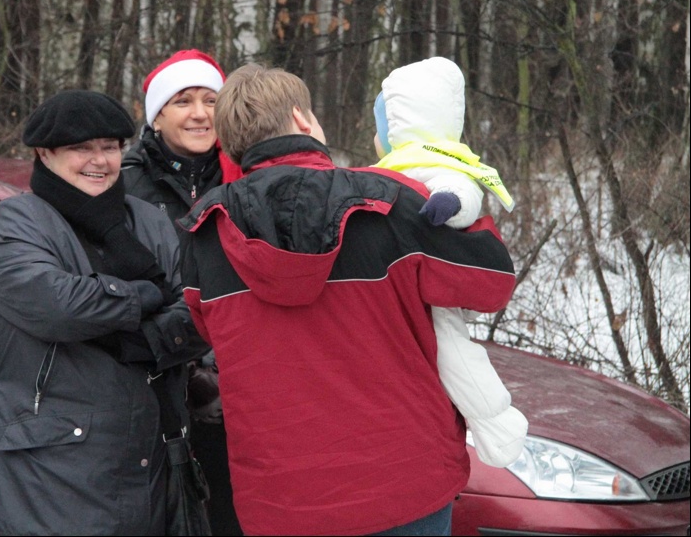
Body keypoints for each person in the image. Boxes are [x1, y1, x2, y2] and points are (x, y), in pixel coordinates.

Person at [178, 64, 517, 536]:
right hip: (405, 482)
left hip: (284, 499)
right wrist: (459, 192)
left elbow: (207, 331)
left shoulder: (203, 232)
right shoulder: (389, 200)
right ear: (302, 119)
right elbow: (490, 283)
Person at [0, 90, 209, 535]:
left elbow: (197, 311)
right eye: (81, 148)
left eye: (110, 147)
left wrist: (142, 337)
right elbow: (58, 306)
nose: (99, 160)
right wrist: (145, 295)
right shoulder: (17, 221)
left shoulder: (148, 221)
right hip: (45, 474)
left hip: (149, 459)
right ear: (45, 153)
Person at [372, 56, 528, 468]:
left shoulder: (437, 163)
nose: (374, 137)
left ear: (398, 128)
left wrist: (449, 203)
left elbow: (463, 190)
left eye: (379, 127)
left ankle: (496, 422)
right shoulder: (393, 168)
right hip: (407, 279)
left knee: (453, 352)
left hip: (433, 284)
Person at [122, 49, 243, 536]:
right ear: (156, 117)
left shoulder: (246, 175)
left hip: (237, 387)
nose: (199, 114)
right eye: (182, 101)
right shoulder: (124, 182)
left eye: (211, 100)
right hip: (155, 380)